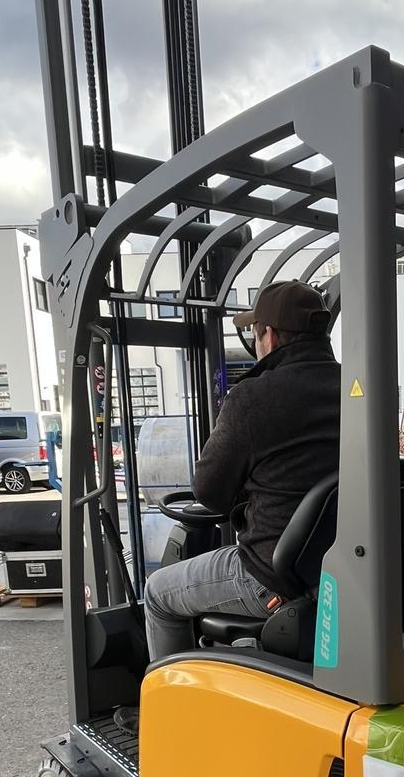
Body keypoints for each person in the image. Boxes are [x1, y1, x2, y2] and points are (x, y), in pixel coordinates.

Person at [143, 279, 341, 662]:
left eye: (255, 332)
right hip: (344, 568)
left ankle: (173, 698)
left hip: (272, 577)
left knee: (157, 593)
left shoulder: (252, 398)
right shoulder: (360, 389)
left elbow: (208, 491)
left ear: (269, 336)